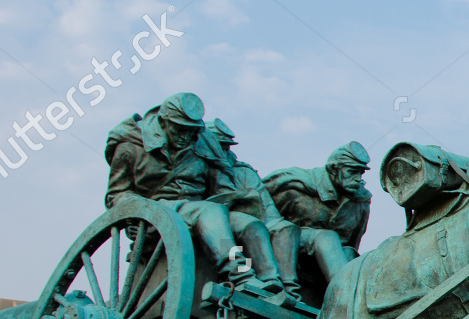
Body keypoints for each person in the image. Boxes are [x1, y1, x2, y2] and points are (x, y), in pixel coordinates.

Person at [104, 93, 285, 295]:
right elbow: (117, 193)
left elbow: (223, 189)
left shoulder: (205, 142)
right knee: (210, 212)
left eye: (191, 131)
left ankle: (270, 282)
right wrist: (137, 212)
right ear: (163, 122)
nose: (185, 137)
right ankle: (240, 274)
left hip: (205, 211)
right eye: (179, 129)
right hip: (161, 211)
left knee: (250, 225)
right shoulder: (130, 144)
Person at [206, 118, 303, 304]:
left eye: (226, 147)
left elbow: (267, 208)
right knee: (247, 228)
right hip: (219, 222)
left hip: (250, 216)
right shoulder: (200, 165)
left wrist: (277, 225)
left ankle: (288, 291)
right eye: (219, 145)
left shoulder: (242, 171)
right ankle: (248, 277)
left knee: (286, 229)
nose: (224, 151)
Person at [265, 142, 372, 286]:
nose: (358, 178)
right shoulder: (293, 182)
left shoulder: (360, 201)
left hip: (324, 266)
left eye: (361, 172)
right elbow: (259, 207)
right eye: (352, 171)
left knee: (353, 256)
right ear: (334, 169)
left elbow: (354, 240)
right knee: (326, 238)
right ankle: (344, 296)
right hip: (288, 247)